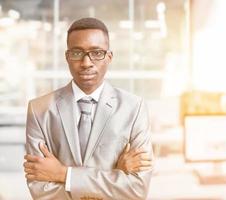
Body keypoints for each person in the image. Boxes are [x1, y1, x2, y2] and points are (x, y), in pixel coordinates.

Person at [23, 17, 153, 200]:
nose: (86, 63)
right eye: (77, 53)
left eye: (97, 53)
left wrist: (63, 174)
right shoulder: (39, 109)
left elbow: (137, 189)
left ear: (109, 57)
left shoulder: (134, 108)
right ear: (67, 57)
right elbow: (40, 190)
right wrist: (116, 175)